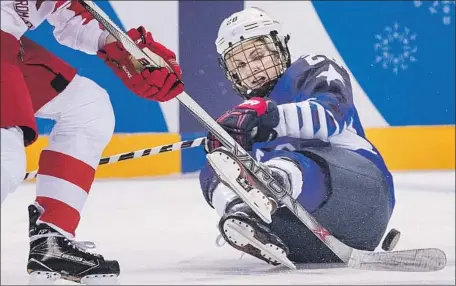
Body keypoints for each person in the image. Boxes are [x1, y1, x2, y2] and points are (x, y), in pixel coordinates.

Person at [1, 1, 183, 284]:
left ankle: (52, 239)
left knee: (87, 107)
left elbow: (68, 13)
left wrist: (123, 49)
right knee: (5, 160)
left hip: (8, 43)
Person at [199, 7, 395, 267]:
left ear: (280, 47)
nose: (252, 69)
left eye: (258, 55)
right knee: (216, 163)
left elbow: (331, 114)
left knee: (292, 161)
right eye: (241, 65)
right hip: (298, 239)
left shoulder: (310, 70)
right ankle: (242, 215)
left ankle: (271, 186)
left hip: (362, 203)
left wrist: (268, 118)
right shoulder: (246, 119)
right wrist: (225, 146)